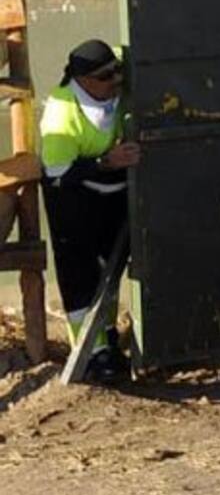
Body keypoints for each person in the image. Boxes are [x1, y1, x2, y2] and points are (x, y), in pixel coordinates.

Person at [39, 39, 141, 383]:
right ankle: (91, 351)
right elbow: (57, 174)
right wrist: (105, 162)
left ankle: (108, 336)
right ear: (83, 80)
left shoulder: (112, 91)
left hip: (112, 193)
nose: (115, 80)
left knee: (109, 272)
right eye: (105, 76)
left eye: (117, 71)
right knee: (81, 276)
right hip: (74, 198)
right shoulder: (62, 112)